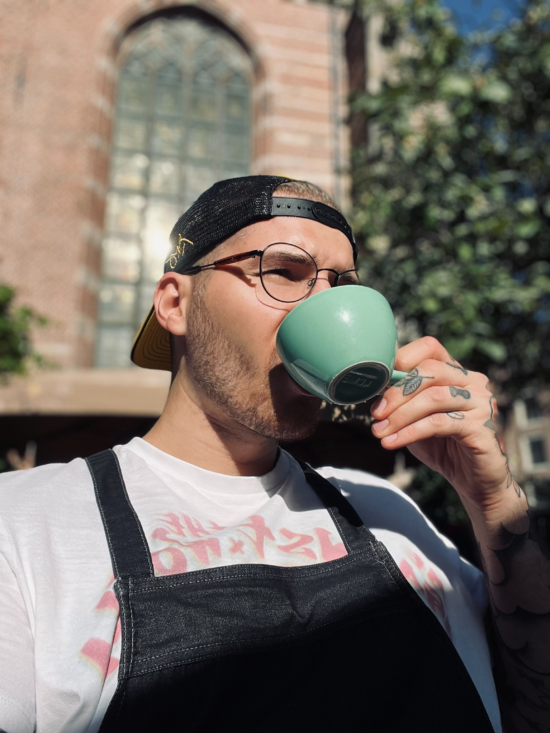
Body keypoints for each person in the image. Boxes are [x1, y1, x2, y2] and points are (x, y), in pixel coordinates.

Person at [0, 176, 547, 733]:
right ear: (174, 303)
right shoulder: (24, 523)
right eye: (285, 272)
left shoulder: (386, 508)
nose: (325, 308)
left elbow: (531, 703)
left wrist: (494, 502)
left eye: (342, 288)